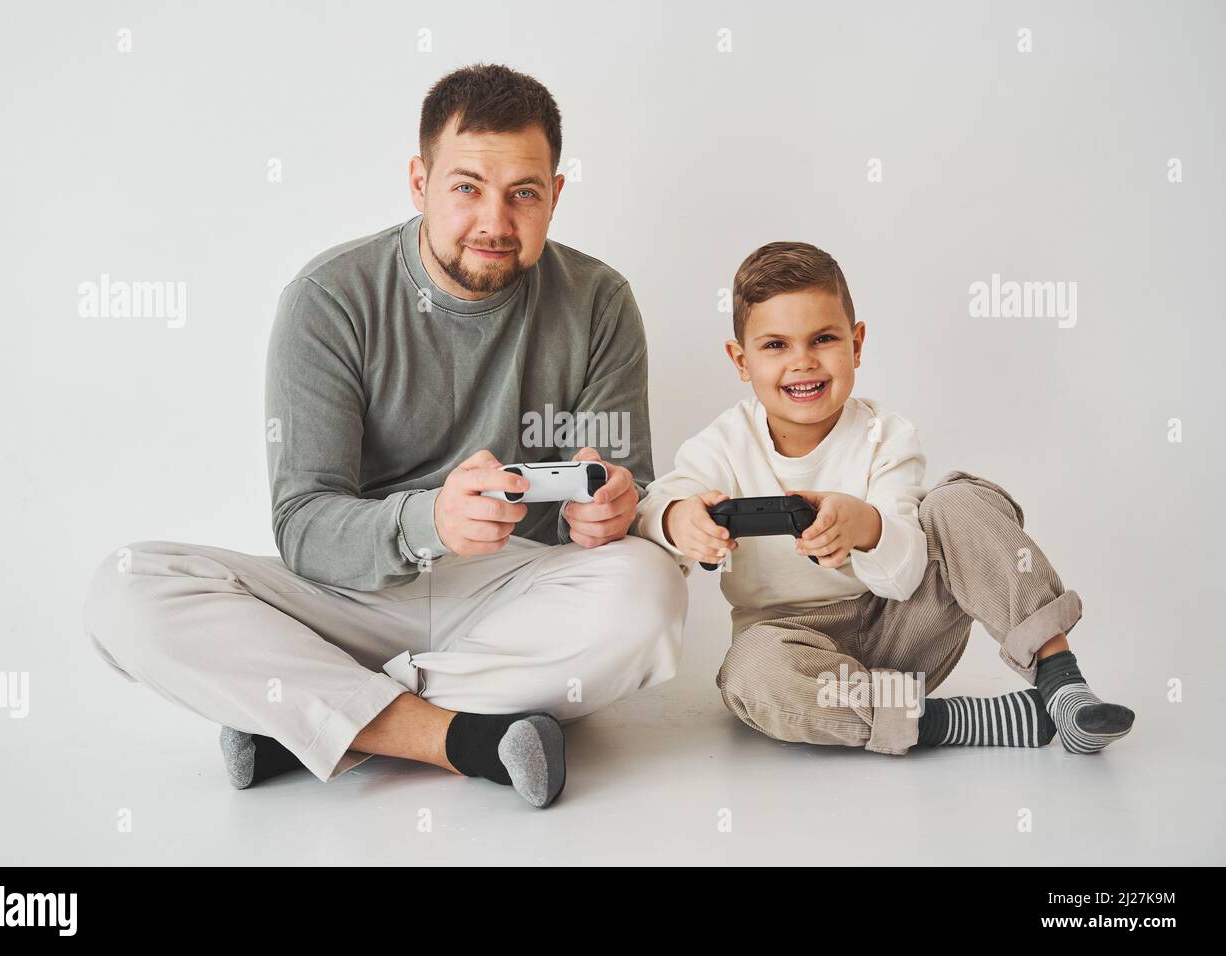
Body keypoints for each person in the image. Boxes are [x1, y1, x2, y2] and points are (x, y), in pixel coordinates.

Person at [83, 63, 686, 809]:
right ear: (419, 182)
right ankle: (455, 737)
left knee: (651, 590)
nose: (495, 222)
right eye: (466, 187)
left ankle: (306, 715)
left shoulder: (599, 301)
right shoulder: (329, 296)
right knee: (128, 587)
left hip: (512, 591)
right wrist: (430, 518)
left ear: (555, 195)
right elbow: (303, 525)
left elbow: (630, 492)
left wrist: (609, 509)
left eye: (523, 193)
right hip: (349, 593)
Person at [631, 240, 1135, 755]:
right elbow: (655, 502)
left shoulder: (885, 436)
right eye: (776, 345)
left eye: (823, 339)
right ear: (741, 360)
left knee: (957, 501)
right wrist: (678, 519)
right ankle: (949, 722)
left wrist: (868, 528)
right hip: (790, 643)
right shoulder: (723, 443)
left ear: (857, 344)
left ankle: (1062, 682)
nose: (803, 362)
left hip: (898, 628)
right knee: (750, 673)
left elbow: (906, 574)